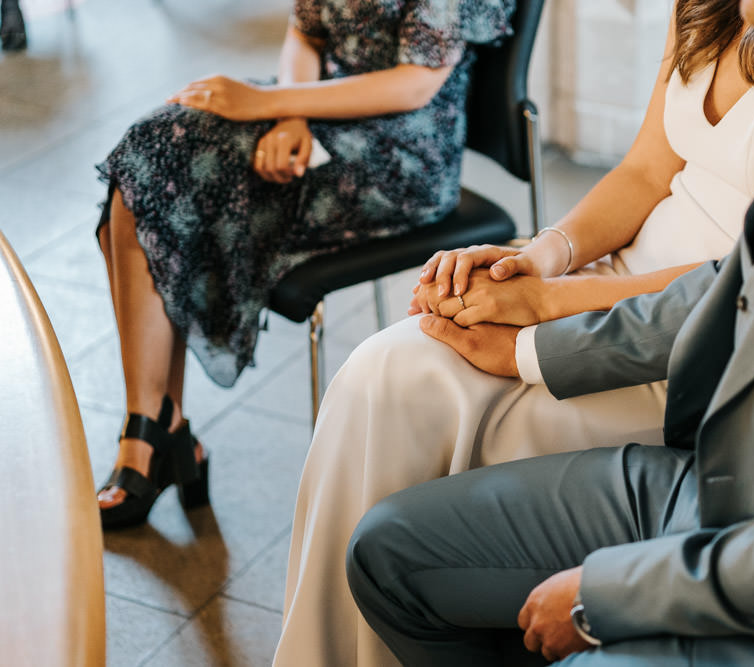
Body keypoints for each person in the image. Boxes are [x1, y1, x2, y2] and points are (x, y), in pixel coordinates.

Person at [346, 0, 754, 665]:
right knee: (385, 553)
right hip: (723, 490)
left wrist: (606, 594)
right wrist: (531, 345)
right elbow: (739, 281)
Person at [276, 2, 754, 665]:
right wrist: (542, 256)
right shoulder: (703, 7)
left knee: (421, 393)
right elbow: (648, 171)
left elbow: (742, 281)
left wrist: (551, 305)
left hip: (693, 346)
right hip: (613, 274)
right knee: (383, 368)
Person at [94, 0, 516, 530]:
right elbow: (306, 32)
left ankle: (153, 440)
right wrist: (289, 116)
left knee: (155, 164)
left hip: (400, 157)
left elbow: (414, 84)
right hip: (318, 111)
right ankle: (155, 425)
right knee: (145, 155)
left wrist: (269, 100)